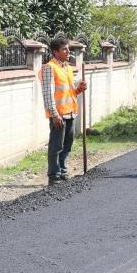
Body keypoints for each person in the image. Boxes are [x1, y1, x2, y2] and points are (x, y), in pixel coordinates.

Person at [39, 38, 87, 186]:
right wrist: (54, 115)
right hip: (58, 115)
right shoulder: (49, 67)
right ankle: (54, 175)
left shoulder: (67, 67)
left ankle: (63, 170)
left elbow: (69, 92)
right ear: (55, 52)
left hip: (71, 112)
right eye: (65, 49)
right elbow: (48, 93)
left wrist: (79, 89)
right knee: (56, 146)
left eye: (68, 49)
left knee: (67, 144)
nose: (68, 52)